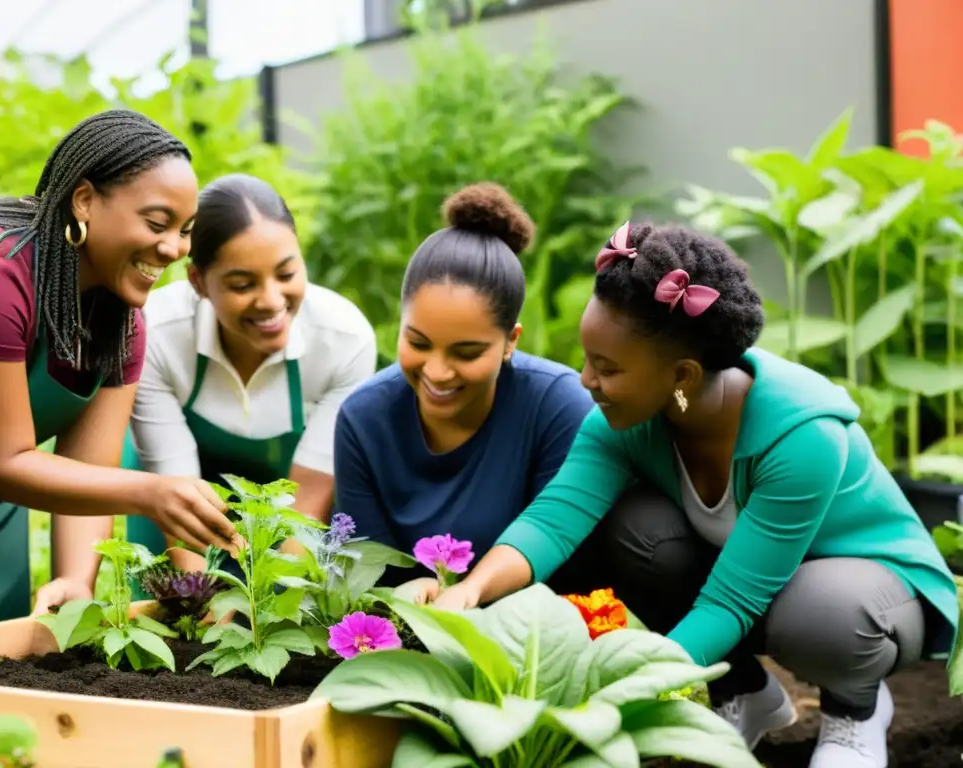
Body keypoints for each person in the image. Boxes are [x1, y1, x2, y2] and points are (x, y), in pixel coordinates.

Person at [431, 220, 959, 768]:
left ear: (681, 375)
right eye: (587, 358)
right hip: (755, 580)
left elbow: (733, 601)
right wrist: (472, 590)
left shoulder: (801, 439)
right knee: (636, 530)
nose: (586, 379)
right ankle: (747, 694)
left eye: (607, 368)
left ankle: (856, 714)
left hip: (871, 589)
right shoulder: (627, 419)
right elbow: (553, 518)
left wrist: (624, 690)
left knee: (820, 611)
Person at [0, 110, 239, 631]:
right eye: (156, 223)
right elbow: (5, 463)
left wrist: (77, 578)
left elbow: (89, 476)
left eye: (186, 230)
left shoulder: (122, 323)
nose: (173, 248)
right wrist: (152, 491)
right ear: (84, 201)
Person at [333, 182, 596, 589]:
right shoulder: (363, 419)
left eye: (466, 353)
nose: (437, 372)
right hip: (403, 634)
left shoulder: (557, 408)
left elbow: (564, 557)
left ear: (511, 341)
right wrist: (404, 595)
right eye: (418, 343)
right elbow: (363, 573)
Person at [120, 173, 376, 576]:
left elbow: (308, 499)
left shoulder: (343, 340)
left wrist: (261, 609)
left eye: (287, 274)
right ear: (198, 281)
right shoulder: (158, 335)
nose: (272, 301)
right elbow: (179, 495)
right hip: (175, 512)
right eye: (242, 284)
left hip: (290, 519)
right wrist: (197, 607)